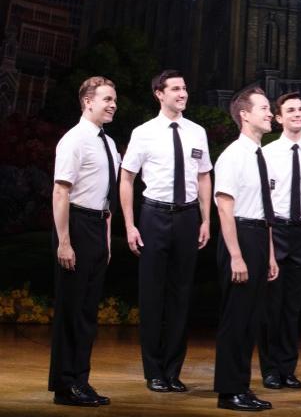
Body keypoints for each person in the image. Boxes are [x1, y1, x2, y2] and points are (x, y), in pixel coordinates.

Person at [120, 70, 212, 392]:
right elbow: (127, 178)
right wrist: (130, 225)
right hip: (154, 216)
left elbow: (203, 177)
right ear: (159, 94)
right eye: (175, 88)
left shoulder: (197, 133)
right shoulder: (143, 132)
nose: (182, 93)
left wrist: (206, 219)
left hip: (187, 218)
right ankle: (154, 372)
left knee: (181, 296)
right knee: (152, 295)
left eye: (184, 88)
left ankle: (173, 371)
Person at [49, 76, 120, 407]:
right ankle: (65, 385)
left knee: (88, 313)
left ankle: (81, 380)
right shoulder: (75, 140)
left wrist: (106, 239)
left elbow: (105, 197)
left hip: (96, 228)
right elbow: (61, 191)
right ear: (87, 102)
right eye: (107, 99)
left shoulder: (107, 142)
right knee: (72, 311)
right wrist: (64, 241)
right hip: (76, 226)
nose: (113, 104)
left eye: (115, 100)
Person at [213, 87, 279, 411]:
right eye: (264, 108)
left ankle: (241, 386)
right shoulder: (233, 155)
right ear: (245, 114)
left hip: (255, 238)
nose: (270, 113)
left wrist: (268, 253)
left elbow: (261, 210)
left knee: (251, 320)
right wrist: (237, 255)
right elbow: (225, 207)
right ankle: (229, 392)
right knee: (235, 319)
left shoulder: (258, 155)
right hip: (237, 237)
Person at [259, 92, 301, 390]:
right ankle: (270, 370)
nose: (298, 113)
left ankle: (288, 369)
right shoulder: (267, 154)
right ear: (279, 118)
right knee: (272, 306)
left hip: (300, 235)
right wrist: (269, 249)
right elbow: (263, 205)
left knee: (292, 308)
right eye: (291, 110)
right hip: (275, 232)